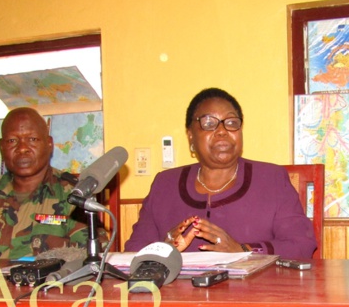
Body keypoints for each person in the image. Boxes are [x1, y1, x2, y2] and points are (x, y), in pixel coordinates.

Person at [125, 87, 316, 258]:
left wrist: (243, 250)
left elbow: (301, 244)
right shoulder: (164, 185)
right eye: (209, 123)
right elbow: (134, 252)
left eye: (231, 122)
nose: (222, 131)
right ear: (190, 135)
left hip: (252, 295)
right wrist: (164, 248)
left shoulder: (272, 179)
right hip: (179, 296)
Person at [0, 107, 93, 261]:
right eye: (12, 141)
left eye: (32, 139)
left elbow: (91, 261)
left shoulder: (75, 196)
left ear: (49, 144)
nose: (22, 148)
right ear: (2, 147)